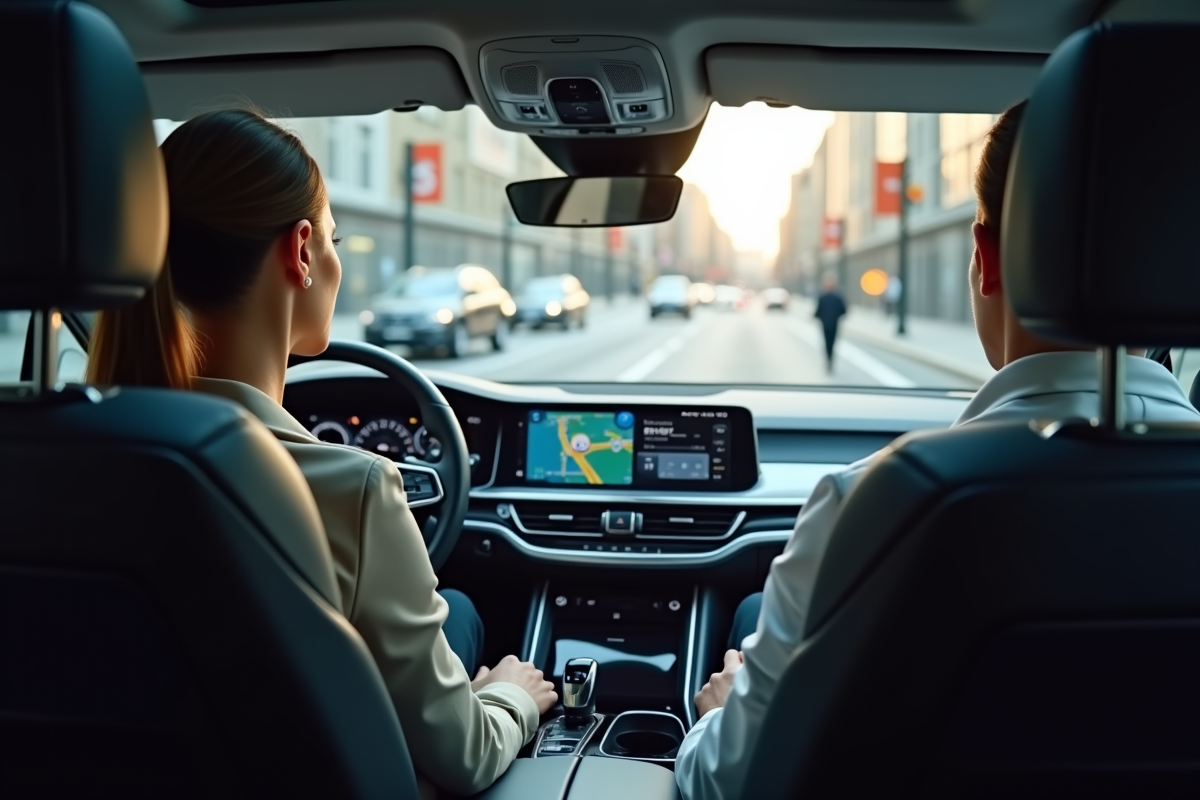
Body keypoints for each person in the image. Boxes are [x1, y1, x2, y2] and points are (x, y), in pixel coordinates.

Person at [674, 100, 1200, 800]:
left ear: (984, 259)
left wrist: (718, 717)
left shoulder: (873, 504)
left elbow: (731, 783)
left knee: (750, 625)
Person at [86, 109, 556, 798]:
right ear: (301, 250)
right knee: (462, 615)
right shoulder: (352, 487)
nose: (333, 257)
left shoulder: (67, 457)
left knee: (452, 608)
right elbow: (467, 757)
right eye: (334, 238)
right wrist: (512, 696)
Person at [813, 273, 847, 372]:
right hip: (832, 324)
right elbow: (844, 311)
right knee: (830, 343)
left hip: (827, 324)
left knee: (828, 343)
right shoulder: (836, 297)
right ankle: (829, 360)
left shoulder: (824, 297)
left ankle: (829, 360)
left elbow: (817, 312)